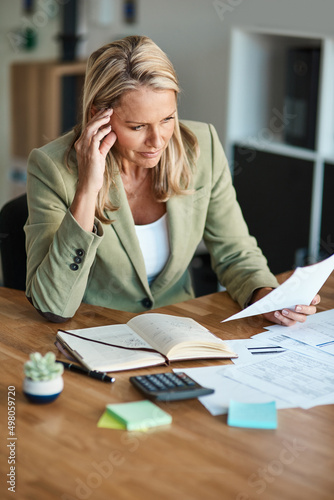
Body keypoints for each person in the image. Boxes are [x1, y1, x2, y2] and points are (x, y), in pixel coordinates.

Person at [24, 35, 320, 324]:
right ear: (98, 116)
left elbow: (234, 251)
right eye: (138, 126)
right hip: (95, 333)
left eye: (167, 119)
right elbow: (52, 305)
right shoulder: (52, 168)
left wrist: (266, 297)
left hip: (179, 331)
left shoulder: (202, 148)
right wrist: (88, 189)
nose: (157, 141)